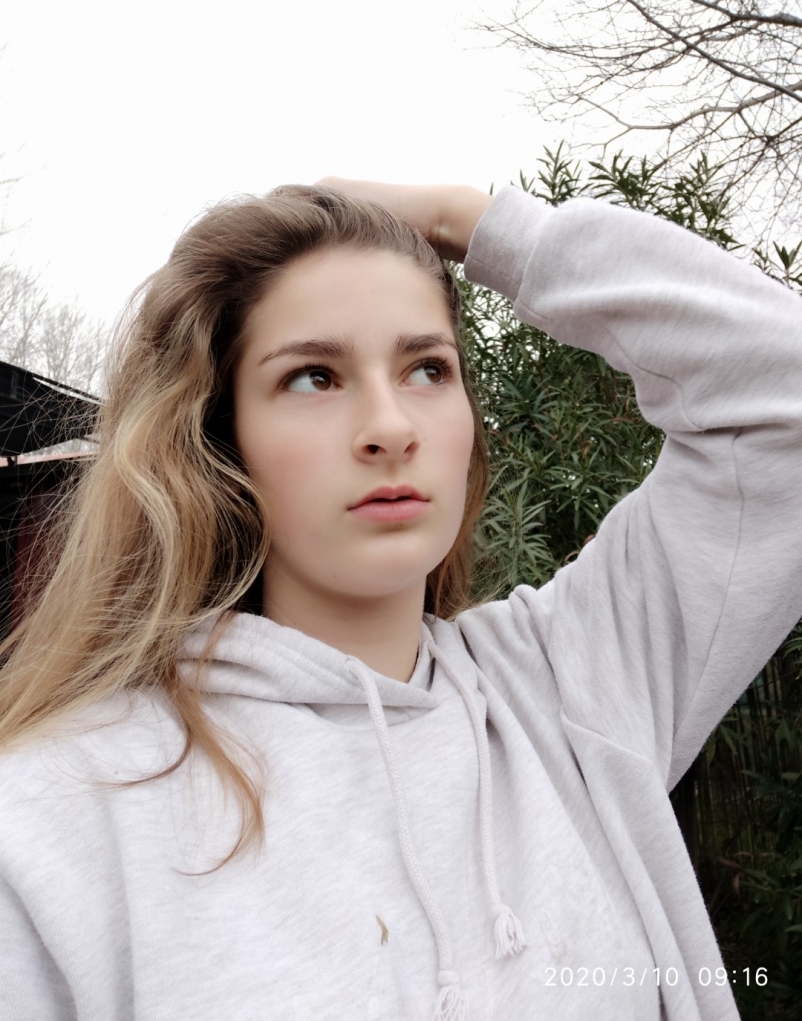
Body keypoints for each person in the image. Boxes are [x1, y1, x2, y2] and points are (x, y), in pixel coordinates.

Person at [0, 175, 800, 1021]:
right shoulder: (58, 811)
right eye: (314, 376)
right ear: (219, 440)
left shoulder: (571, 687)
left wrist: (470, 223)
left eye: (427, 368)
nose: (391, 426)